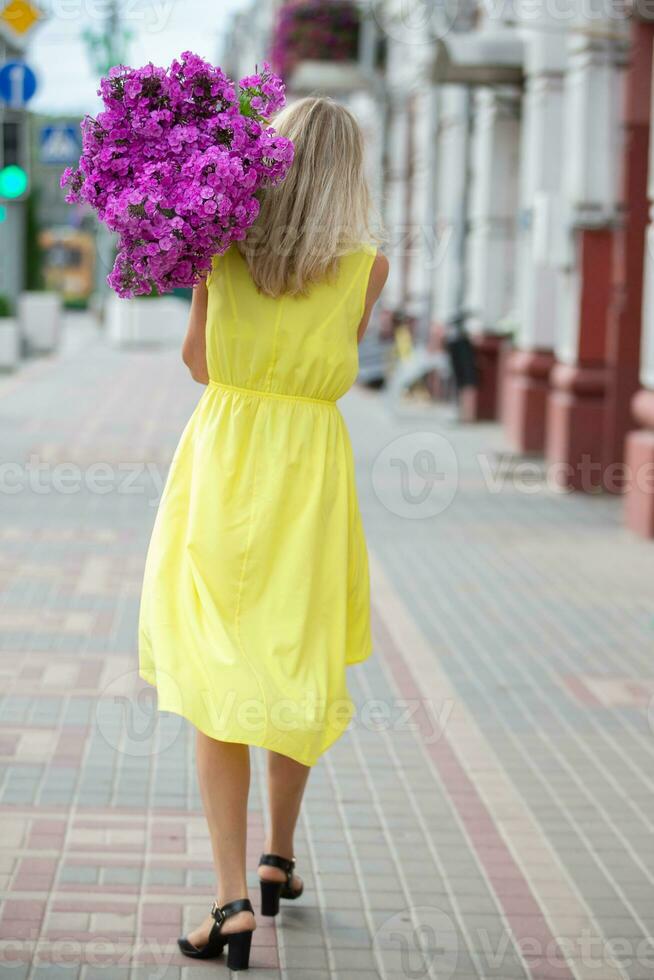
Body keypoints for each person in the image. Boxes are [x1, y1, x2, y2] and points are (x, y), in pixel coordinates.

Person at [138, 95, 389, 971]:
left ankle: (230, 900)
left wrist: (213, 287)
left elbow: (198, 364)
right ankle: (279, 854)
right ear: (346, 175)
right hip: (311, 476)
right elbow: (344, 373)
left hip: (225, 464)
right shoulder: (368, 266)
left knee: (217, 671)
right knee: (295, 657)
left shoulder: (220, 248)